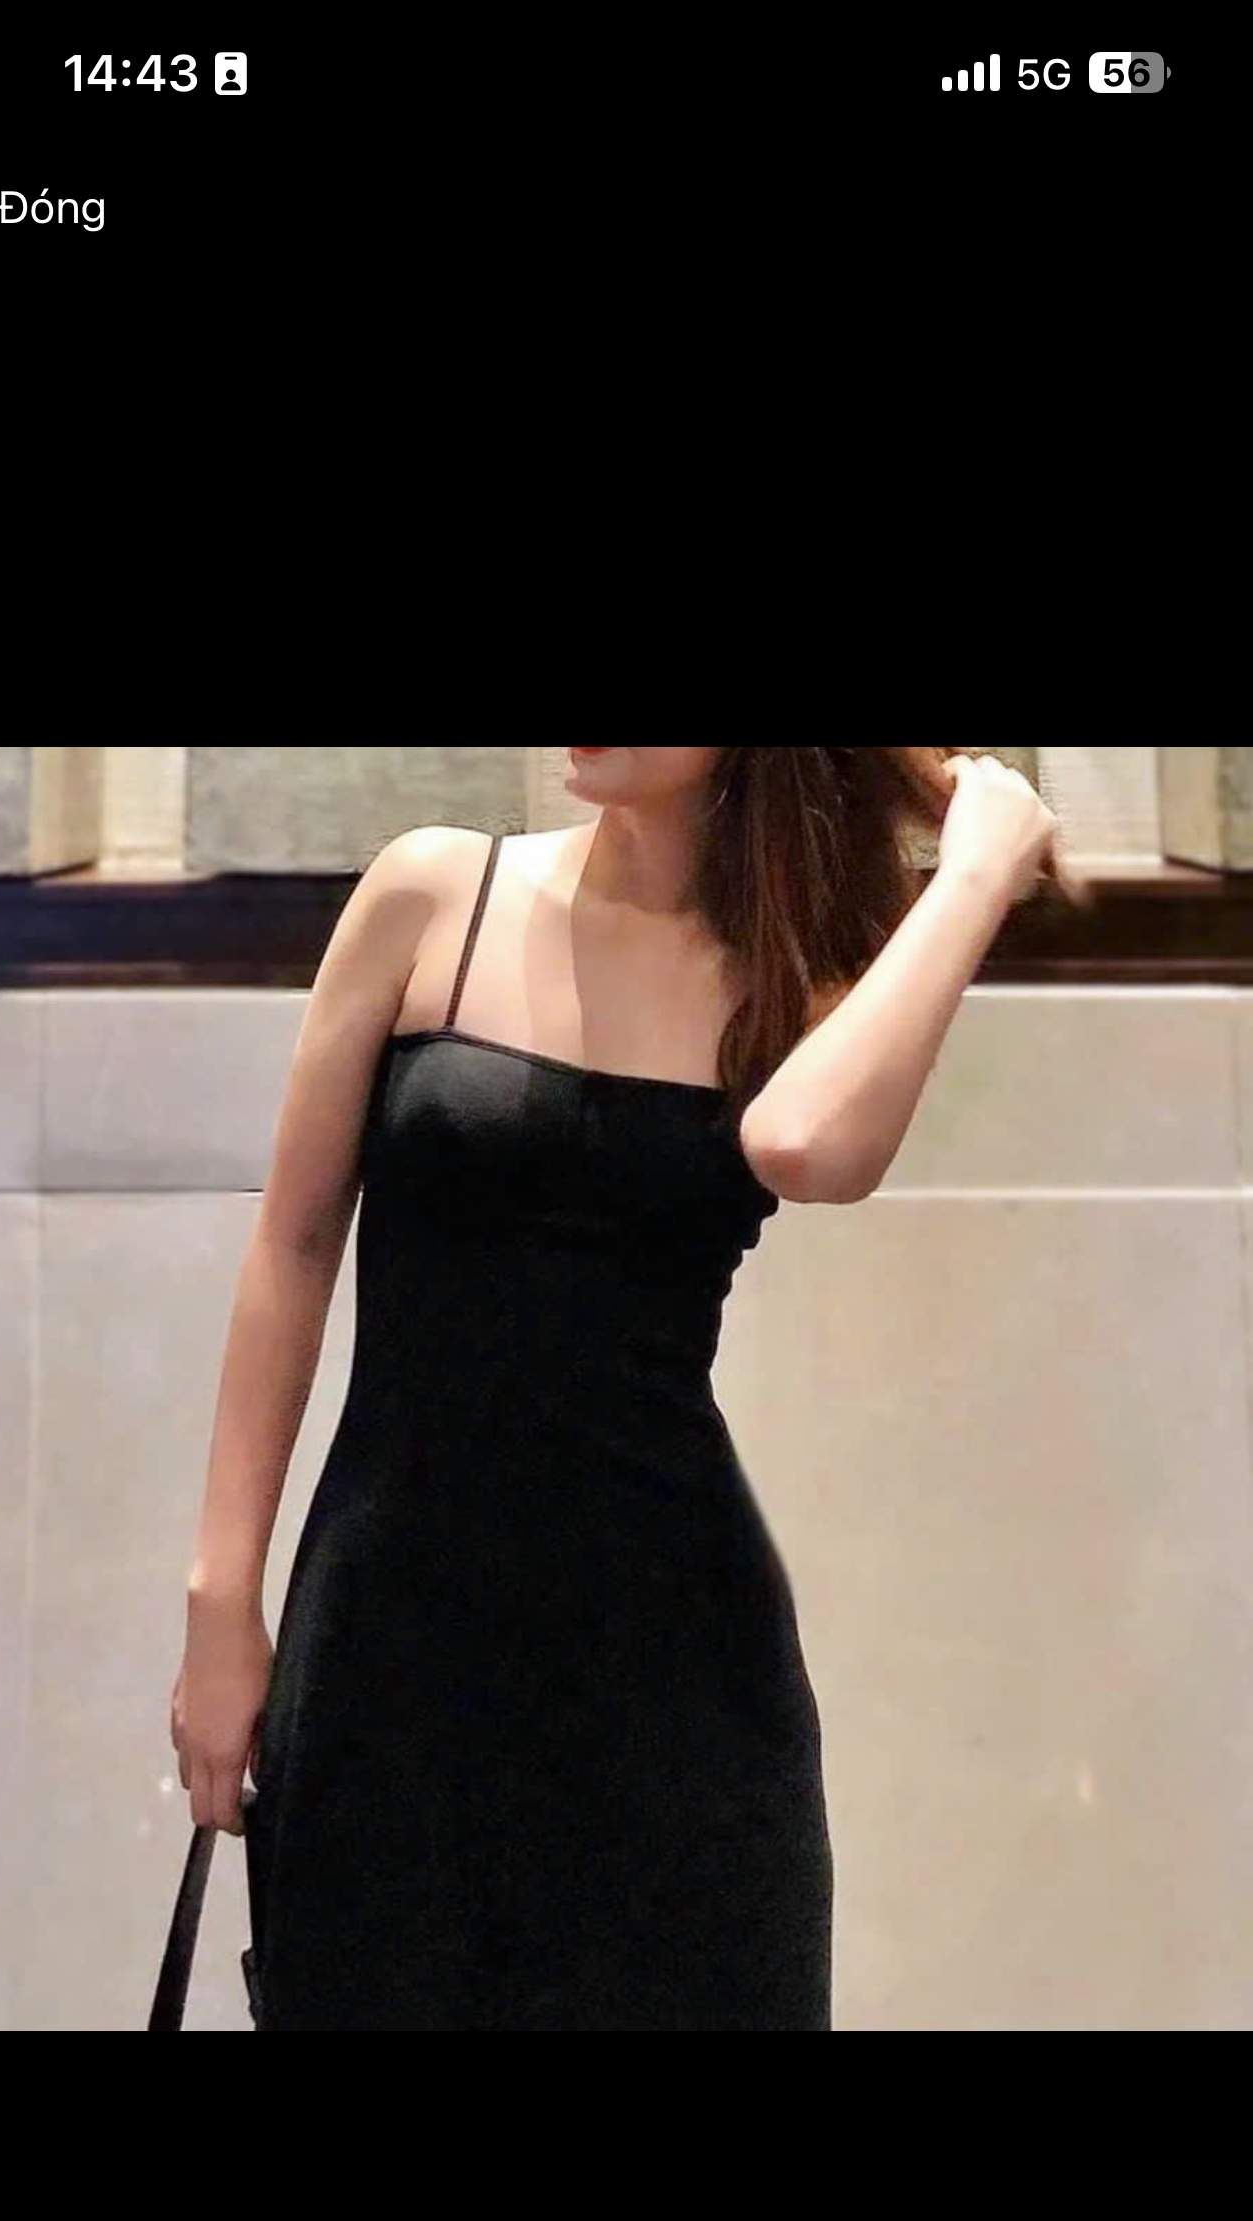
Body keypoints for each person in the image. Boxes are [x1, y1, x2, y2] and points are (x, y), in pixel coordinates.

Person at [170, 746, 1067, 2031]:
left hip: (674, 1668)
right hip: (390, 1635)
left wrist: (974, 872)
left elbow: (805, 1146)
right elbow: (294, 1242)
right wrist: (222, 1602)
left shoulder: (807, 981)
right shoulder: (435, 895)